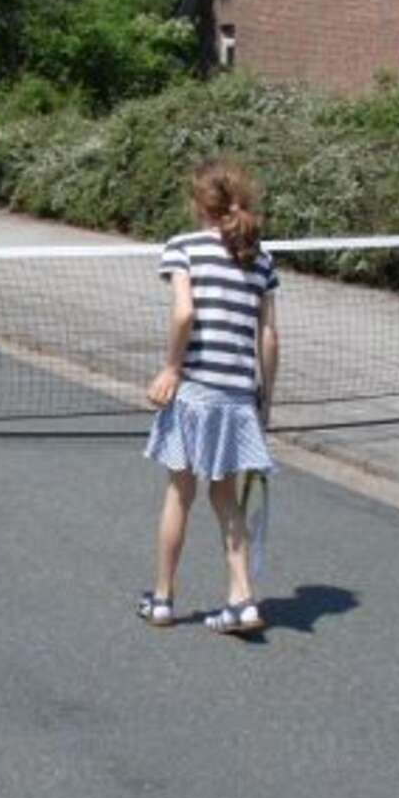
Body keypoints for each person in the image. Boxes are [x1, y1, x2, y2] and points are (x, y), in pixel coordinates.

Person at [138, 159, 281, 635]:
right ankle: (242, 601)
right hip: (238, 396)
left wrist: (171, 368)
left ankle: (162, 600)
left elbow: (184, 313)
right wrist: (265, 403)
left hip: (195, 391)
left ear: (198, 203)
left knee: (180, 494)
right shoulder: (261, 260)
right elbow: (269, 337)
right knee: (225, 498)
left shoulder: (183, 248)